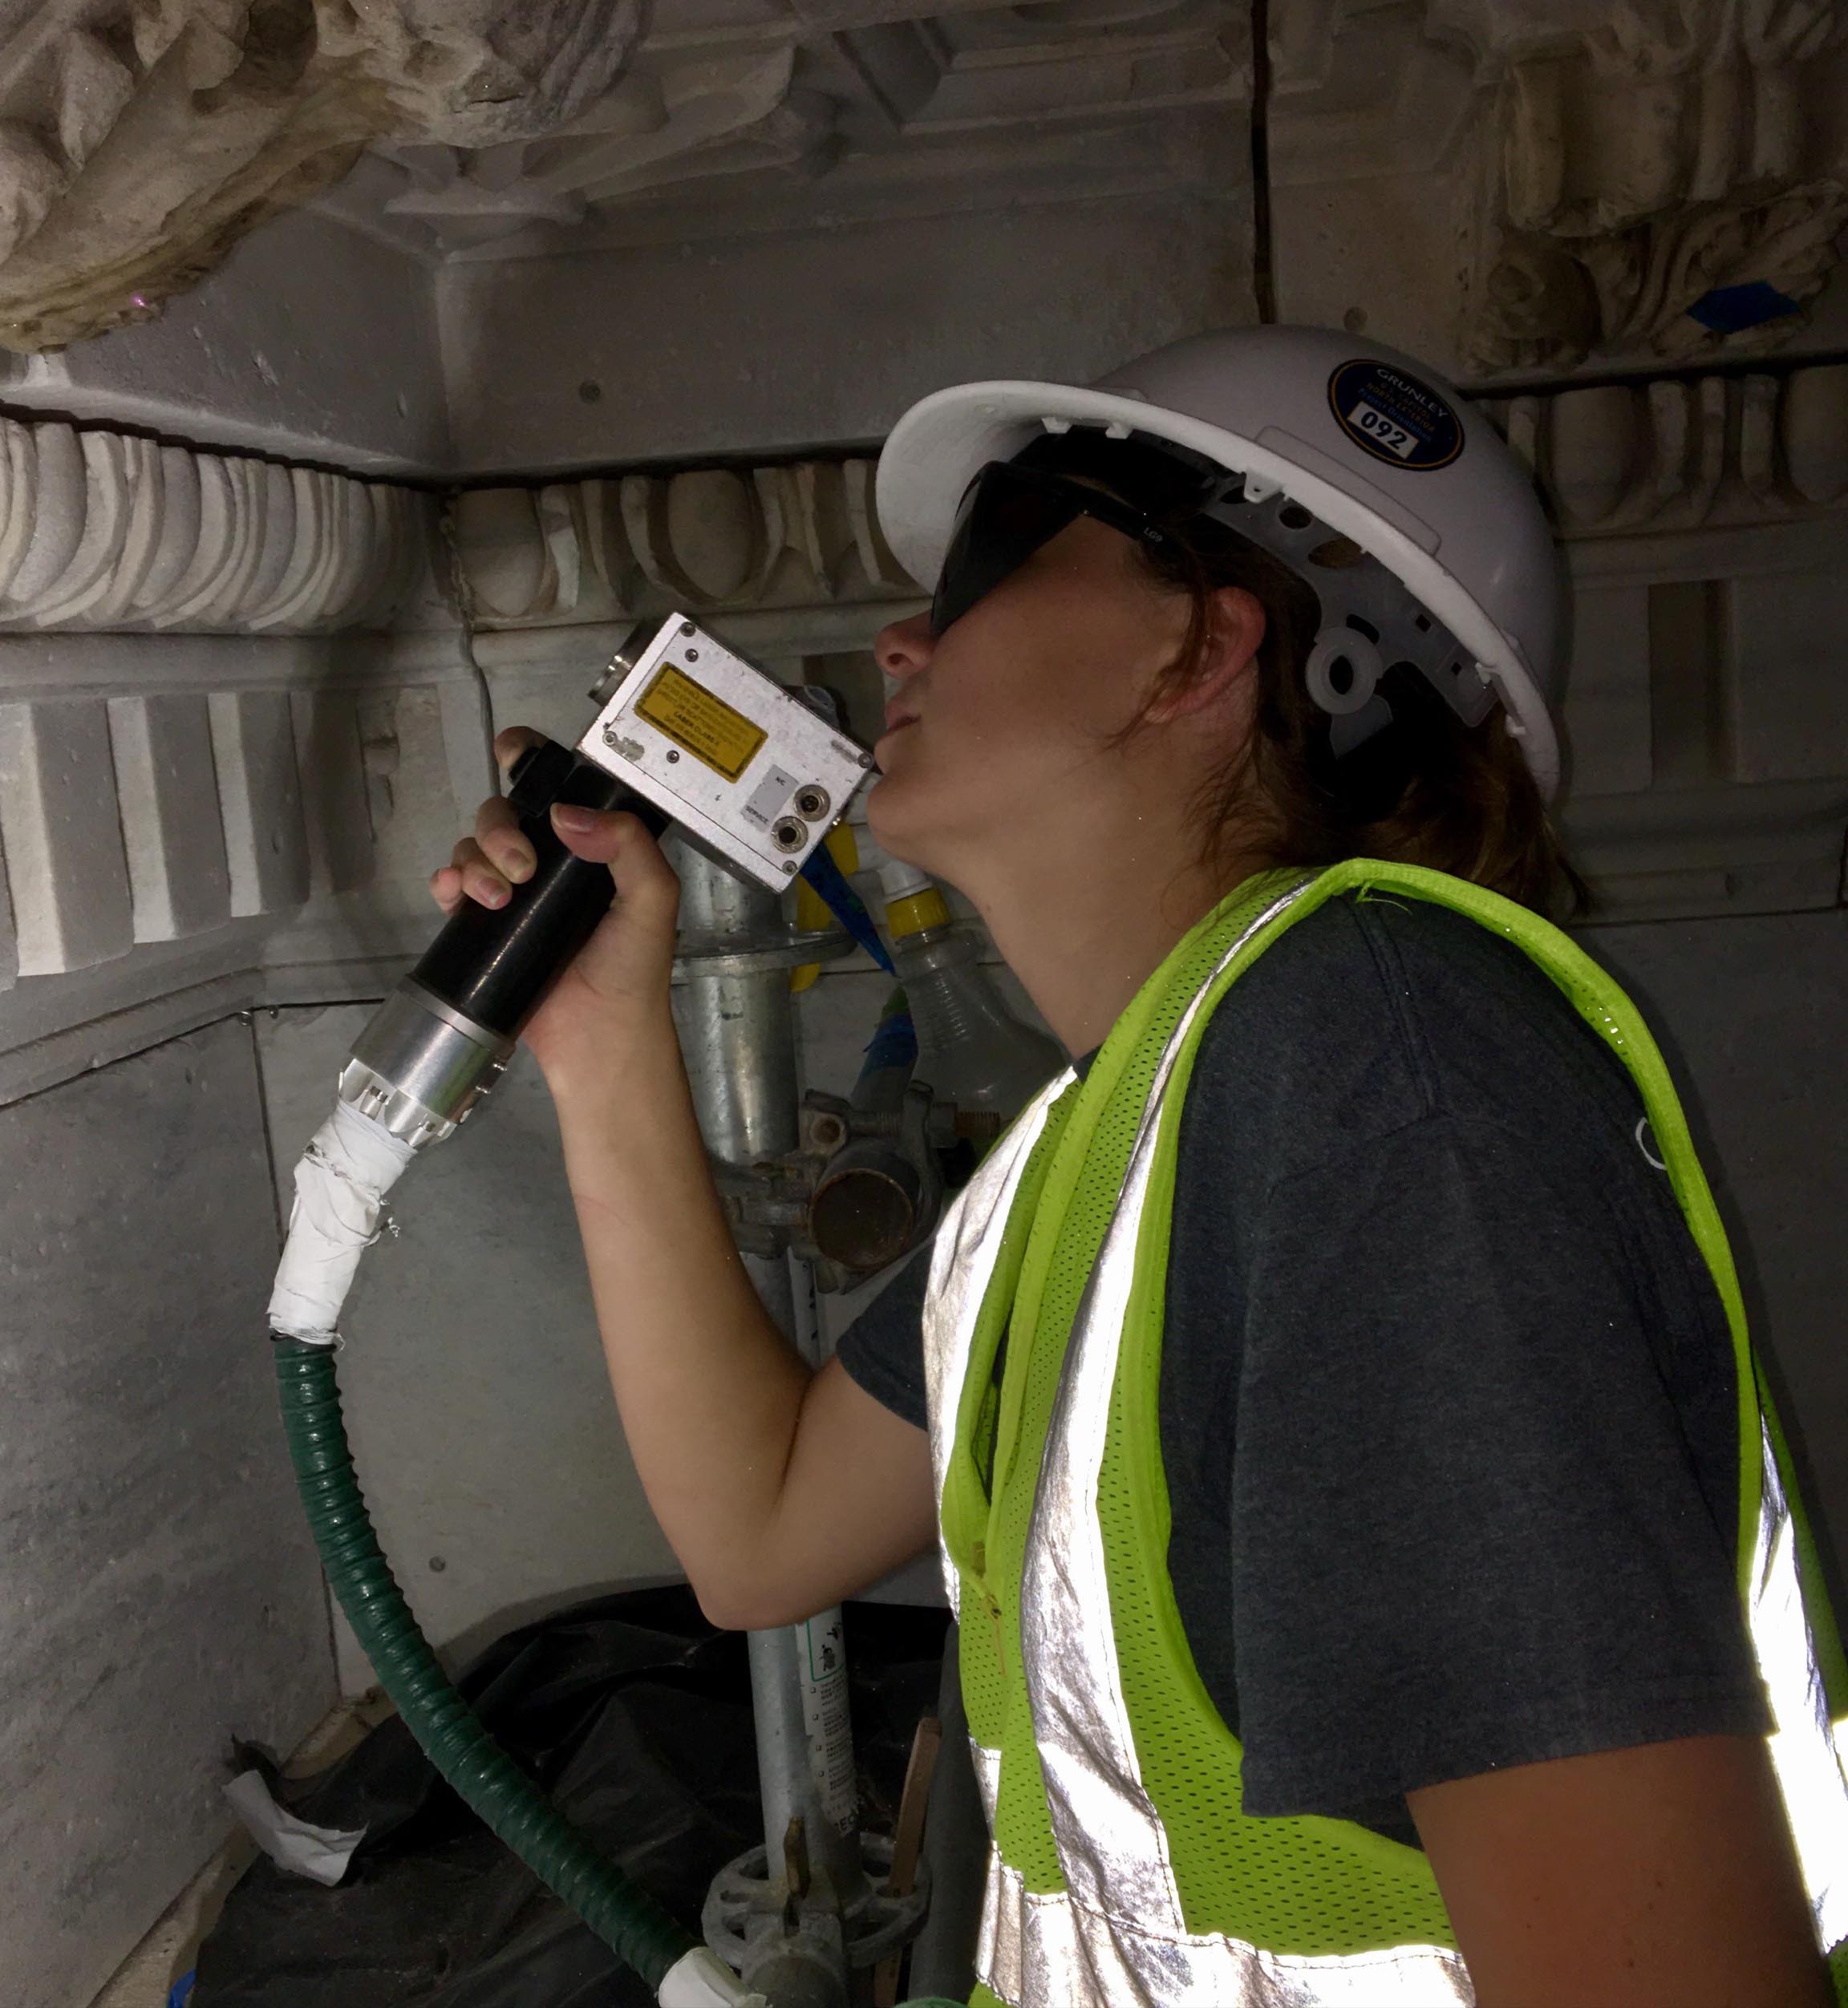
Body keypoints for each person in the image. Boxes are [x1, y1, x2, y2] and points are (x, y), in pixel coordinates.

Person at [432, 327, 1846, 2007]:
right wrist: (602, 1043)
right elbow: (758, 1530)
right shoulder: (1107, 1138)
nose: (902, 634)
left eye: (985, 558)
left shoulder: (1378, 1073)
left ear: (1196, 645)